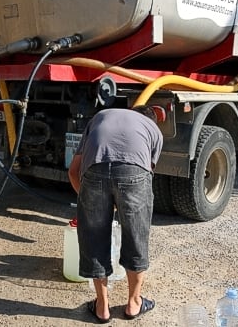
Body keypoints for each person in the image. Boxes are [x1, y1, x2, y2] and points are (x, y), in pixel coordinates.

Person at [68, 106, 164, 323]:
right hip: (134, 173)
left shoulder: (100, 116)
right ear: (150, 120)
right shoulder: (153, 131)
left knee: (93, 237)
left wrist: (90, 203)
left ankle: (102, 308)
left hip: (94, 170)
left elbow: (73, 172)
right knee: (136, 234)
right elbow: (145, 172)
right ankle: (133, 304)